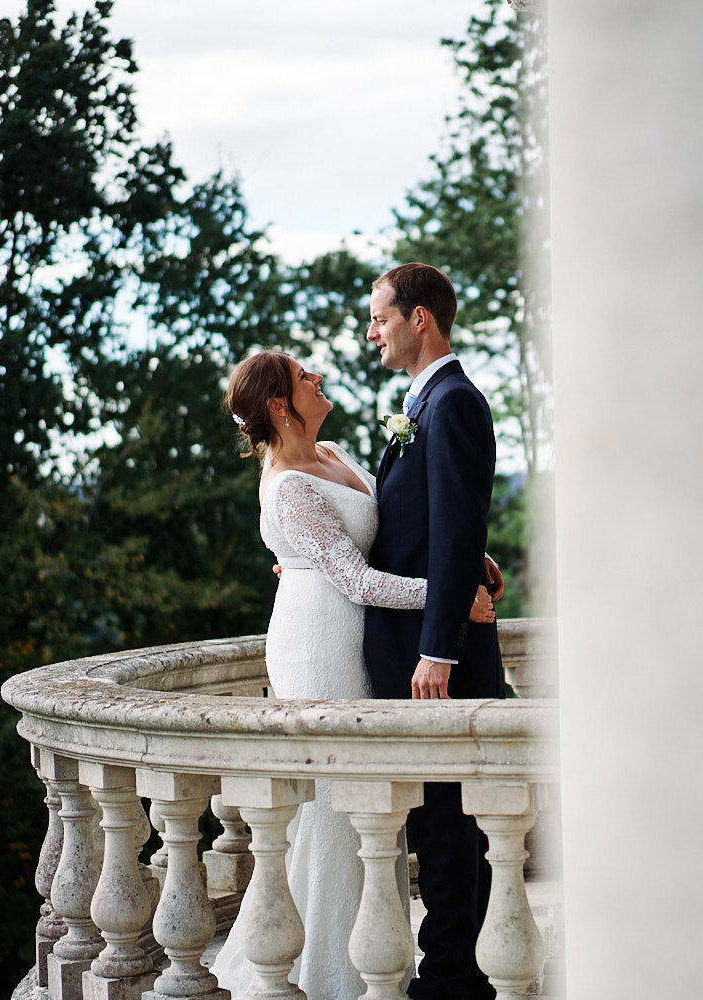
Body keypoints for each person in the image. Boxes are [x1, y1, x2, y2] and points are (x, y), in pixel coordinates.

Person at [207, 350, 495, 1000]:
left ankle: (374, 955)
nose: (318, 378)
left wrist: (471, 562)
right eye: (303, 377)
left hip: (359, 629)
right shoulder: (289, 485)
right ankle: (326, 972)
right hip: (320, 644)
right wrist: (451, 598)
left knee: (372, 802)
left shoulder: (332, 452)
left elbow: (396, 527)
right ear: (279, 405)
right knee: (339, 805)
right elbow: (358, 580)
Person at [362, 263, 505, 1000]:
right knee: (438, 822)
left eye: (379, 317)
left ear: (420, 318)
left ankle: (451, 981)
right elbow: (430, 527)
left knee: (449, 828)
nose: (372, 332)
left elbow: (454, 527)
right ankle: (454, 971)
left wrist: (437, 649)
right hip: (422, 646)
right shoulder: (426, 401)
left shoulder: (453, 403)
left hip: (437, 659)